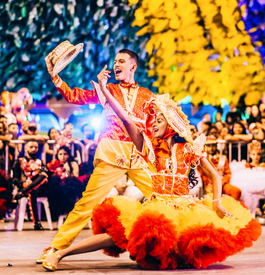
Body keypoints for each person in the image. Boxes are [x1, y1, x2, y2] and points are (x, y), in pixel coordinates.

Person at [42, 83, 261, 271]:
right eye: (153, 120)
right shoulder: (150, 149)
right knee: (118, 236)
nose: (152, 124)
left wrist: (217, 203)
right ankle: (60, 253)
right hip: (158, 208)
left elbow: (214, 174)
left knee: (204, 237)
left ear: (171, 124)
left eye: (158, 121)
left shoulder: (190, 149)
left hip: (187, 209)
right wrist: (108, 95)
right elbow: (128, 121)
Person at [37, 49, 156, 262]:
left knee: (163, 195)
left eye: (121, 61)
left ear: (133, 66)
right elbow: (75, 96)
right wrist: (55, 76)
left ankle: (180, 242)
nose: (116, 64)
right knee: (86, 204)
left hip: (140, 156)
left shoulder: (148, 96)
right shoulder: (107, 90)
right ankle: (55, 248)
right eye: (115, 61)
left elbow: (156, 128)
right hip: (112, 154)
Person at [12, 141, 49, 230]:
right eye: (31, 147)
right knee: (32, 191)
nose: (33, 149)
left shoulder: (40, 162)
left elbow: (45, 175)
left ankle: (23, 192)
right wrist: (23, 184)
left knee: (43, 175)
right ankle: (37, 223)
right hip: (25, 187)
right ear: (25, 148)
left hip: (40, 189)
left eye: (35, 147)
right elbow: (14, 179)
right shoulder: (19, 162)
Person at [47, 146, 84, 221]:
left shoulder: (72, 164)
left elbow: (76, 176)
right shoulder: (54, 164)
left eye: (65, 154)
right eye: (60, 154)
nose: (62, 156)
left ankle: (68, 212)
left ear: (68, 155)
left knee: (69, 186)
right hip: (58, 187)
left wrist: (66, 171)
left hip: (70, 186)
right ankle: (57, 214)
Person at [197, 136, 241, 200]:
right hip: (210, 184)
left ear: (216, 146)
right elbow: (202, 175)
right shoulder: (203, 159)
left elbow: (228, 173)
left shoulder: (223, 158)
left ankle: (231, 209)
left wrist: (223, 182)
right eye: (209, 145)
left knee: (237, 191)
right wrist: (211, 182)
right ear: (205, 147)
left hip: (223, 184)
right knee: (211, 197)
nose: (211, 148)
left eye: (213, 145)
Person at [230, 141, 265, 217]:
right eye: (253, 154)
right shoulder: (247, 166)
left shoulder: (263, 166)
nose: (256, 157)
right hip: (251, 186)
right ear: (250, 155)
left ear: (261, 155)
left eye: (258, 154)